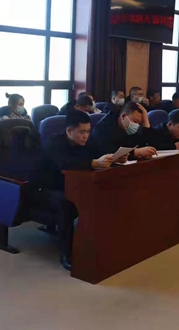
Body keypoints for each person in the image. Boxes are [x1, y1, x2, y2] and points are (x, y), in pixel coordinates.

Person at [44, 110, 119, 270]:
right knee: (67, 204)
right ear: (69, 131)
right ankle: (67, 254)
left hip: (76, 185)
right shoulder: (54, 143)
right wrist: (93, 163)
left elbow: (102, 153)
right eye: (82, 132)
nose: (86, 136)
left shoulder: (88, 142)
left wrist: (113, 158)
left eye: (88, 131)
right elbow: (64, 163)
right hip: (48, 188)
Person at [89, 102, 157, 160]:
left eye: (139, 123)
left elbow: (144, 143)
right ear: (123, 116)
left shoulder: (128, 127)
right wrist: (136, 152)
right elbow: (106, 152)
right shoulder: (104, 127)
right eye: (135, 121)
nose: (137, 125)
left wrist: (146, 121)